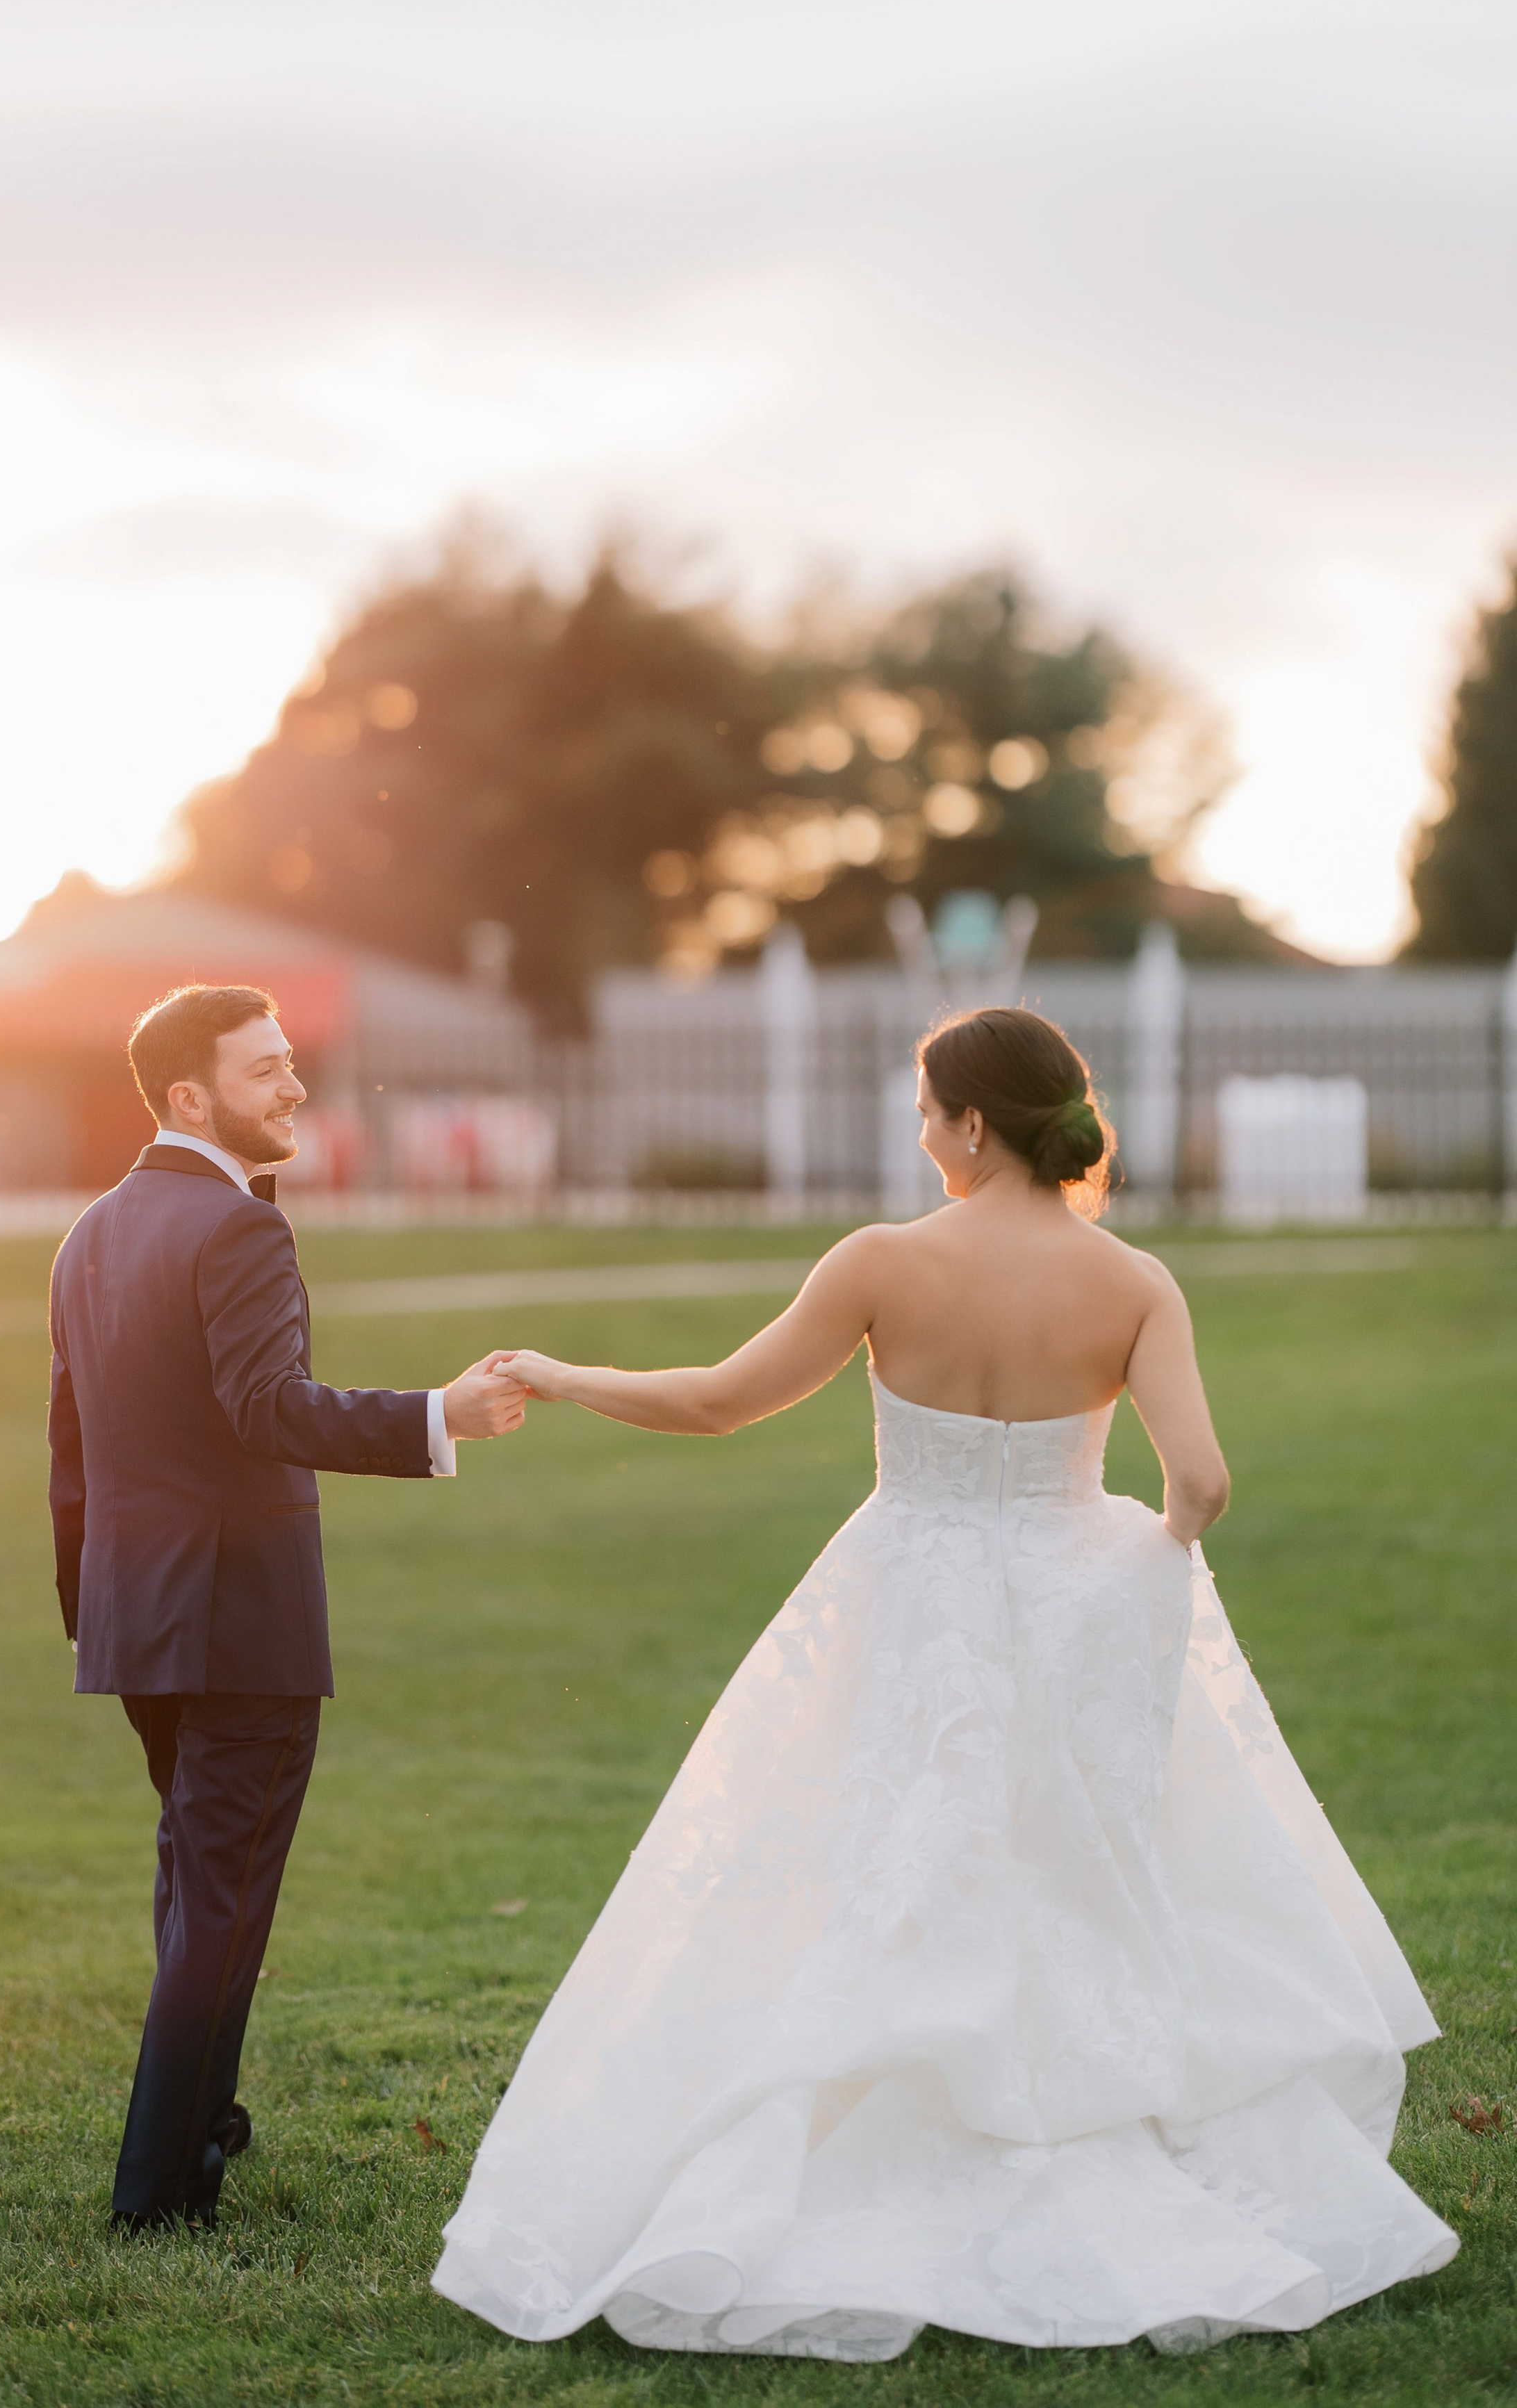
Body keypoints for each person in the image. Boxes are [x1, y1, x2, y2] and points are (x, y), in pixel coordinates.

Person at [433, 1005, 1455, 2359]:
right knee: (1063, 1873)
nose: (919, 1138)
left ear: (974, 1123)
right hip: (1067, 1598)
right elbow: (1198, 1486)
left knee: (880, 1863)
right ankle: (1076, 2115)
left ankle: (874, 2129)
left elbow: (718, 1402)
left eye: (927, 1114)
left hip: (905, 1600)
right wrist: (1131, 1570)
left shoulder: (878, 1263)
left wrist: (559, 1374)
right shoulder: (1132, 1282)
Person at [48, 982, 527, 2231]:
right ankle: (157, 2196)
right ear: (194, 1096)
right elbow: (272, 1406)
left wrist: (87, 1606)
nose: (295, 1086)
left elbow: (71, 1454)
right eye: (266, 1071)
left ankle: (204, 2123)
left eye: (290, 1061)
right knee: (222, 1895)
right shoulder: (239, 1229)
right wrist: (439, 1415)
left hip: (136, 1618)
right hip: (237, 1622)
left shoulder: (87, 1233)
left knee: (194, 1876)